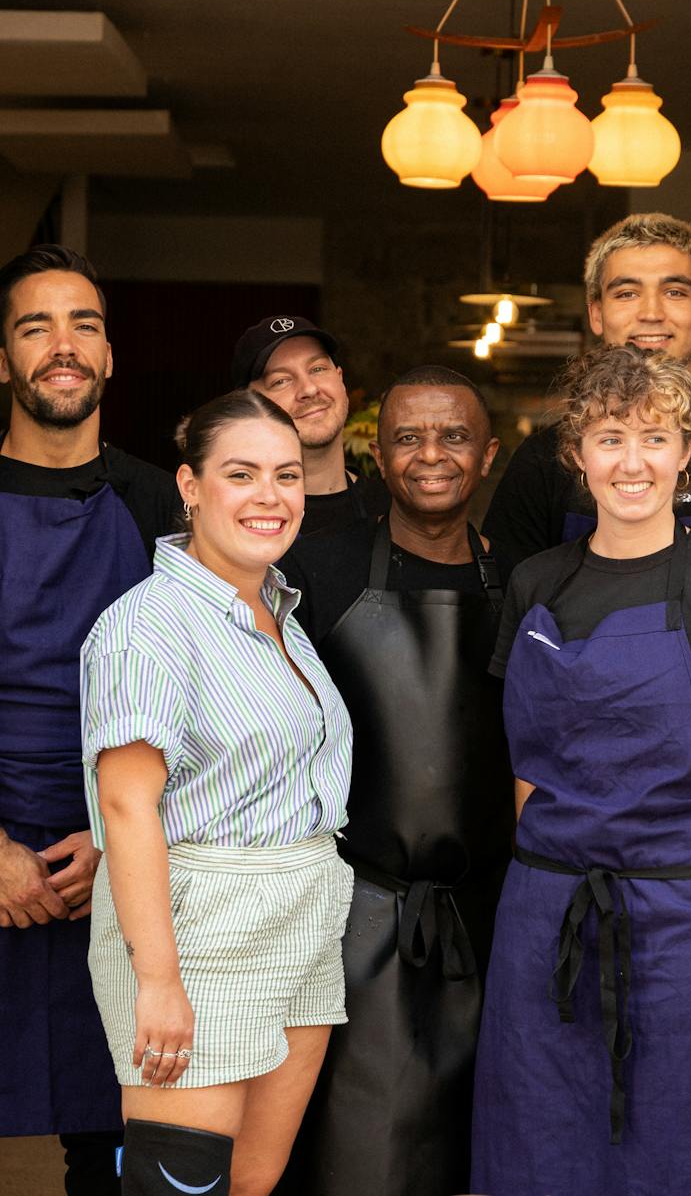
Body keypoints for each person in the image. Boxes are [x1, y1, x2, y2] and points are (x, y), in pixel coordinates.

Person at [472, 345, 691, 1196]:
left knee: (683, 1160)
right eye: (610, 437)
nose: (633, 461)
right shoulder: (539, 583)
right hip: (546, 923)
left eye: (655, 437)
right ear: (577, 454)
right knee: (538, 1155)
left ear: (690, 450)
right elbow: (526, 766)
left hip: (690, 923)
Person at [79, 389, 354, 1196]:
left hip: (301, 921)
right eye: (241, 473)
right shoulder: (148, 625)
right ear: (190, 486)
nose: (271, 497)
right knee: (181, 1187)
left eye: (287, 475)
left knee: (250, 1184)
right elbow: (126, 808)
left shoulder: (276, 611)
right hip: (199, 933)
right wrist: (157, 979)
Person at [277, 365, 514, 1196]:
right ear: (376, 454)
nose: (431, 454)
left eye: (453, 435)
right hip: (357, 921)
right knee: (360, 1159)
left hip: (495, 919)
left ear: (487, 455)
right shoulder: (313, 572)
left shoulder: (524, 583)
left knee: (488, 1156)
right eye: (408, 436)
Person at [0, 245, 177, 1195]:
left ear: (110, 357)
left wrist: (122, 842)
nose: (63, 346)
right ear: (2, 360)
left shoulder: (162, 503)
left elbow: (210, 692)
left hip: (118, 866)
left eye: (85, 325)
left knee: (113, 1145)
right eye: (35, 326)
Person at [483, 211, 691, 571]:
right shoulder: (540, 462)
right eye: (626, 293)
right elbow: (511, 604)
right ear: (596, 313)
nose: (651, 312)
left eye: (674, 292)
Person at [231, 313, 388, 536]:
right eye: (281, 381)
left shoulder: (393, 509)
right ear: (249, 404)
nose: (309, 389)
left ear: (340, 379)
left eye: (317, 369)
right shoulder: (238, 518)